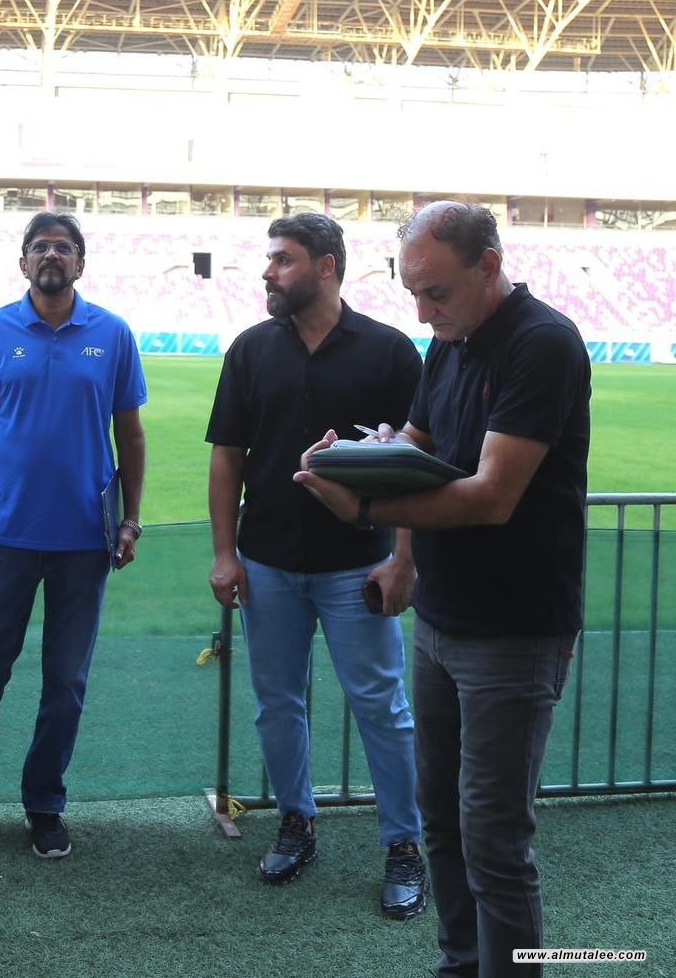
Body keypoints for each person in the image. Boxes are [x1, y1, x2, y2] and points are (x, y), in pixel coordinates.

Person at [295, 201, 590, 977]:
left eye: (436, 293)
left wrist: (364, 509)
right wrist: (357, 459)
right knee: (444, 822)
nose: (423, 314)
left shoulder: (541, 342)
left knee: (493, 837)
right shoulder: (450, 342)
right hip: (442, 619)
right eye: (413, 295)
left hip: (515, 627)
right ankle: (461, 964)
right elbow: (415, 445)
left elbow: (492, 496)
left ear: (489, 266)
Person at [205, 213, 428, 919]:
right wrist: (225, 553)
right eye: (270, 259)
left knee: (382, 707)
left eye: (283, 259)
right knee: (278, 704)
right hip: (267, 563)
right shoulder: (250, 349)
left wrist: (403, 560)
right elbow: (227, 457)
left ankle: (404, 844)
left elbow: (416, 467)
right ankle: (296, 823)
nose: (268, 272)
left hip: (357, 565)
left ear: (326, 265)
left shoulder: (390, 352)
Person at [0, 211, 146, 859]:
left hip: (85, 541)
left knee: (65, 683)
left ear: (80, 263)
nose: (51, 255)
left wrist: (131, 519)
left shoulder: (113, 334)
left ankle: (44, 802)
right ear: (22, 262)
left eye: (63, 247)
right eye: (40, 246)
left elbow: (130, 434)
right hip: (5, 537)